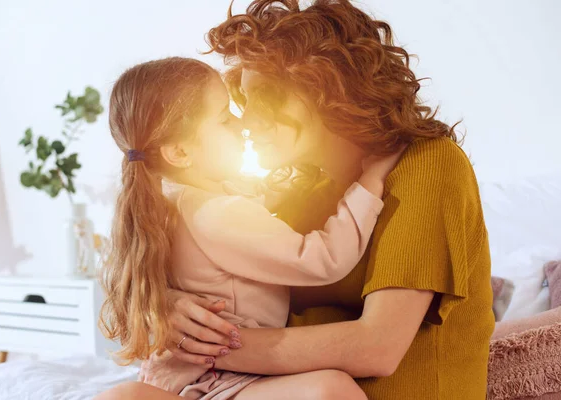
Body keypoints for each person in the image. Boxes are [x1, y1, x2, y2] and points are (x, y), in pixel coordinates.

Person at [141, 1, 495, 399]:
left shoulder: (429, 165)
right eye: (243, 101)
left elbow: (376, 348)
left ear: (330, 91)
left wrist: (200, 349)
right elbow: (209, 263)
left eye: (268, 98)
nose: (246, 121)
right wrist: (168, 308)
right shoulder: (301, 189)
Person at [96, 57, 401, 400]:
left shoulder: (165, 203)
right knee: (332, 391)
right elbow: (323, 258)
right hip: (226, 378)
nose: (242, 123)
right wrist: (370, 182)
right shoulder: (216, 213)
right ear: (180, 152)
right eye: (225, 118)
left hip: (179, 376)